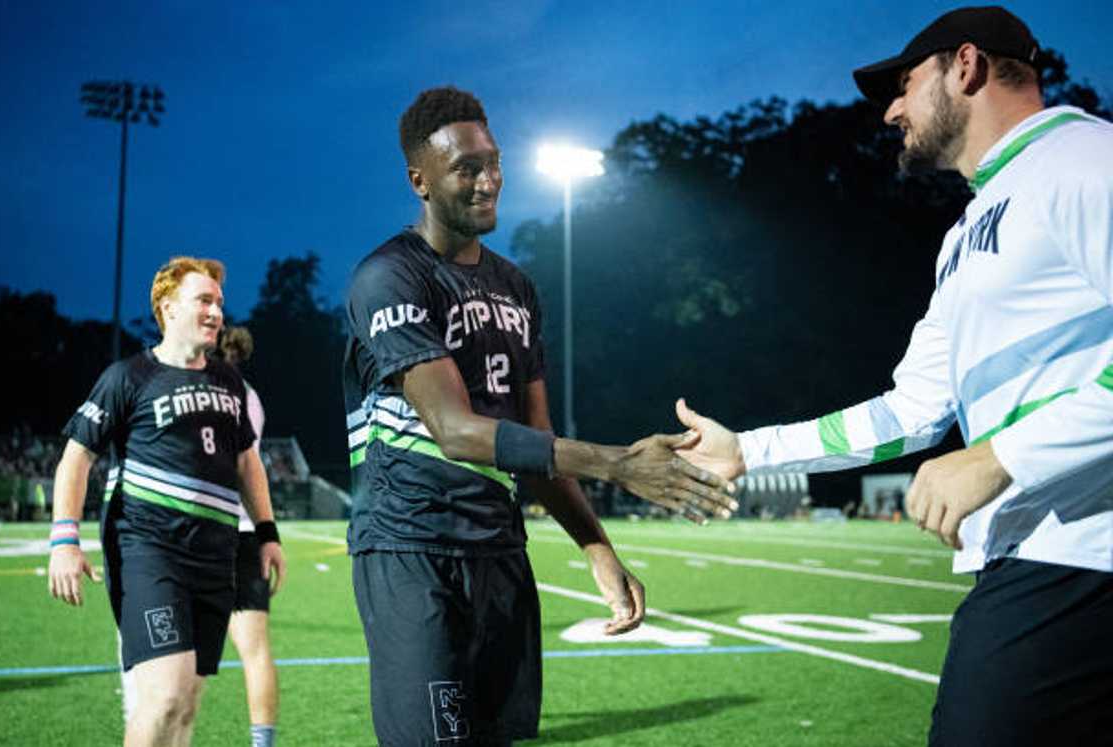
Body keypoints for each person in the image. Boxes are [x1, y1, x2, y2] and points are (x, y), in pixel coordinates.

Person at [673, 7, 1113, 745]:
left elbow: (984, 447)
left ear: (966, 66)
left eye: (906, 84)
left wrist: (1003, 455)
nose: (892, 110)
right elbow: (909, 413)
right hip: (1040, 559)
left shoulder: (1085, 161)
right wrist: (749, 452)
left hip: (1076, 560)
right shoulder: (966, 234)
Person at [343, 86, 736, 745]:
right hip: (412, 547)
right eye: (466, 167)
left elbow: (538, 442)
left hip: (499, 551)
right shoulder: (389, 278)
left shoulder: (517, 287)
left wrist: (597, 548)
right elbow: (456, 430)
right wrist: (618, 462)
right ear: (420, 179)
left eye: (494, 161)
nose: (489, 178)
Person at [48, 257, 286, 747]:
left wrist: (267, 534)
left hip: (214, 558)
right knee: (163, 696)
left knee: (185, 704)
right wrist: (64, 540)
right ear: (167, 307)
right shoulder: (128, 377)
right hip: (149, 552)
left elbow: (248, 464)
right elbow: (76, 458)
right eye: (204, 300)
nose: (217, 311)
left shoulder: (230, 383)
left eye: (219, 302)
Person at [218, 326, 280, 747]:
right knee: (255, 651)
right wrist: (266, 532)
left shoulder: (200, 386)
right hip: (243, 530)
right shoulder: (250, 395)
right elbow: (252, 466)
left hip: (203, 530)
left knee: (176, 659)